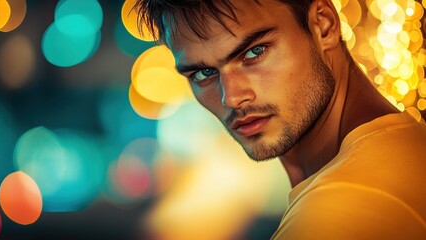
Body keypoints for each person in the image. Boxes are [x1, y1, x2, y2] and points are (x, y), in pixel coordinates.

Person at [134, 0, 426, 239]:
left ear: (324, 26)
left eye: (254, 52)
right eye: (203, 73)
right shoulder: (408, 148)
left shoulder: (338, 210)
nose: (231, 98)